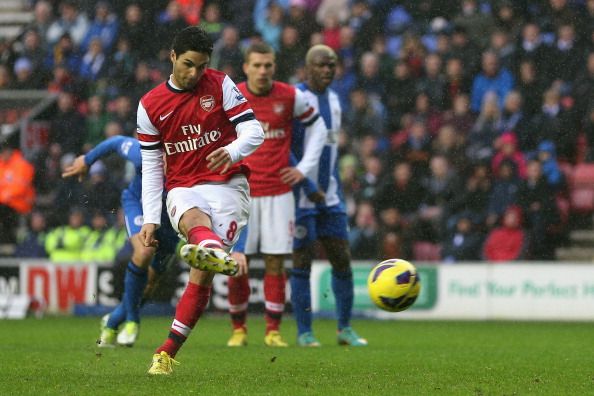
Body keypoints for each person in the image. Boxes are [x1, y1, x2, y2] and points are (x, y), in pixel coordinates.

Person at [136, 26, 264, 375]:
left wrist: (232, 150)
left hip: (228, 184)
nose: (195, 73)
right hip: (182, 185)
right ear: (173, 57)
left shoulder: (221, 84)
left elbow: (255, 130)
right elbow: (151, 167)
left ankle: (168, 349)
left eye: (202, 66)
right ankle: (213, 251)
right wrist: (150, 218)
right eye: (189, 64)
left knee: (201, 277)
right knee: (194, 221)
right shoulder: (150, 105)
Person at [225, 42, 327, 348]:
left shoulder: (290, 95)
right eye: (256, 65)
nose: (262, 71)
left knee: (275, 263)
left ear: (274, 67)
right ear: (246, 67)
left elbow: (318, 128)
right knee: (236, 264)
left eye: (268, 65)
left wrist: (304, 170)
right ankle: (239, 329)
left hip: (279, 194)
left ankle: (272, 330)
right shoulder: (232, 96)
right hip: (241, 193)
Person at [62, 135, 180, 347]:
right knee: (144, 252)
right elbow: (116, 142)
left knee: (150, 283)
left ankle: (113, 322)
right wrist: (87, 160)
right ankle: (133, 322)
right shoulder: (143, 154)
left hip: (171, 222)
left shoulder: (187, 160)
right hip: (139, 205)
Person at [290, 44, 367, 347]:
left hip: (331, 196)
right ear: (307, 68)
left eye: (332, 65)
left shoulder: (335, 100)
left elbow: (330, 149)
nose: (327, 70)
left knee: (342, 259)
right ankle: (305, 332)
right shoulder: (295, 99)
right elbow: (287, 148)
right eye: (321, 65)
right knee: (302, 262)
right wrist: (308, 186)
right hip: (302, 197)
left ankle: (344, 329)